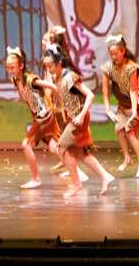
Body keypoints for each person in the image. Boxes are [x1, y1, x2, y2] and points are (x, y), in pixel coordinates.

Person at [42, 46, 115, 198]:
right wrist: (62, 114)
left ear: (59, 63)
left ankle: (76, 184)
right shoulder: (57, 78)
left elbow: (90, 95)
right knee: (81, 153)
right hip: (72, 118)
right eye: (46, 67)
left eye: (50, 66)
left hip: (79, 118)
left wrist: (81, 116)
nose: (49, 70)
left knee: (62, 147)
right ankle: (105, 176)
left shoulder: (70, 77)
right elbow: (64, 98)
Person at [6, 46, 61, 189]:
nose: (10, 70)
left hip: (44, 117)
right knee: (53, 146)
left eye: (12, 67)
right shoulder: (15, 80)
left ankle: (36, 179)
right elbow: (25, 93)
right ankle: (77, 171)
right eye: (8, 68)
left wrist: (59, 102)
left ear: (21, 66)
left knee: (25, 145)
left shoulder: (30, 79)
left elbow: (52, 86)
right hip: (40, 116)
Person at [99, 34, 139, 177]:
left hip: (137, 106)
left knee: (129, 132)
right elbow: (105, 89)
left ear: (123, 51)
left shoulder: (131, 68)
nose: (113, 57)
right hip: (122, 106)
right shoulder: (108, 67)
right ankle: (127, 158)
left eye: (116, 53)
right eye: (111, 54)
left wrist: (134, 112)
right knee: (119, 130)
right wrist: (107, 109)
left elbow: (134, 91)